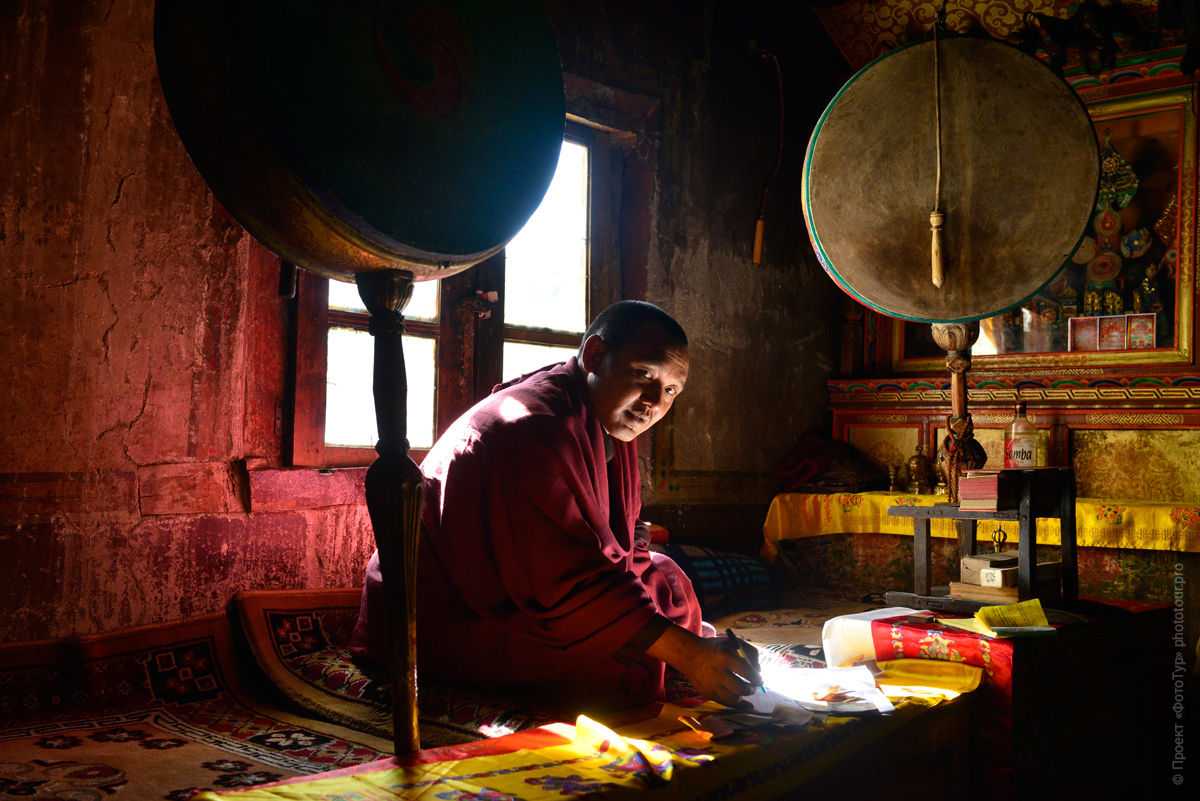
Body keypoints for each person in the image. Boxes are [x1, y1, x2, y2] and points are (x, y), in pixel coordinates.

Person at [350, 300, 760, 710]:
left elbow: (611, 549)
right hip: (449, 611)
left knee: (667, 576)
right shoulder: (532, 427)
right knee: (619, 667)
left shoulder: (596, 416)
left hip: (531, 584)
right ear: (594, 355)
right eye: (644, 374)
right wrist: (689, 653)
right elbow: (566, 583)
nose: (654, 401)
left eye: (671, 390)